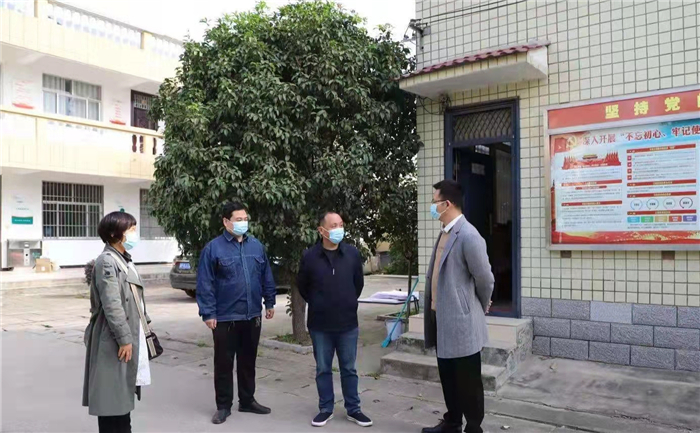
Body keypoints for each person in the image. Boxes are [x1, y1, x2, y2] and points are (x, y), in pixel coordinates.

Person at [422, 180, 494, 433]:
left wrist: (476, 306)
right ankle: (452, 422)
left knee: (468, 382)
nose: (432, 206)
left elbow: (485, 279)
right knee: (448, 377)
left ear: (447, 204)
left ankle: (473, 428)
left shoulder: (469, 236)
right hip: (441, 318)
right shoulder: (445, 232)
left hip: (462, 322)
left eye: (434, 202)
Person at [197, 202, 277, 425]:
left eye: (245, 219)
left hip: (252, 315)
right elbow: (205, 283)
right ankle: (223, 406)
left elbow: (266, 275)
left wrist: (270, 301)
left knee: (248, 361)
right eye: (238, 219)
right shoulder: (213, 249)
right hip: (225, 317)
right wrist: (208, 313)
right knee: (223, 363)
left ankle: (247, 400)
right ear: (226, 222)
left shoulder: (256, 246)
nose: (243, 223)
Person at [298, 211, 373, 428]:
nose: (339, 229)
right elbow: (303, 286)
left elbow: (357, 284)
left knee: (349, 368)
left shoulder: (352, 254)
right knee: (323, 368)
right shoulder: (310, 256)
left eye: (340, 224)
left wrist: (346, 301)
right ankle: (326, 408)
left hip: (347, 323)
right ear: (321, 230)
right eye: (333, 226)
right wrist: (319, 302)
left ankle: (354, 409)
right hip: (320, 325)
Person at [83, 211, 151, 433]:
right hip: (113, 339)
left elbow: (136, 299)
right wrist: (124, 339)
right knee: (112, 400)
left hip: (126, 336)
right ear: (114, 233)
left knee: (120, 400)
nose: (134, 233)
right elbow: (112, 304)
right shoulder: (107, 261)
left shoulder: (123, 259)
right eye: (130, 229)